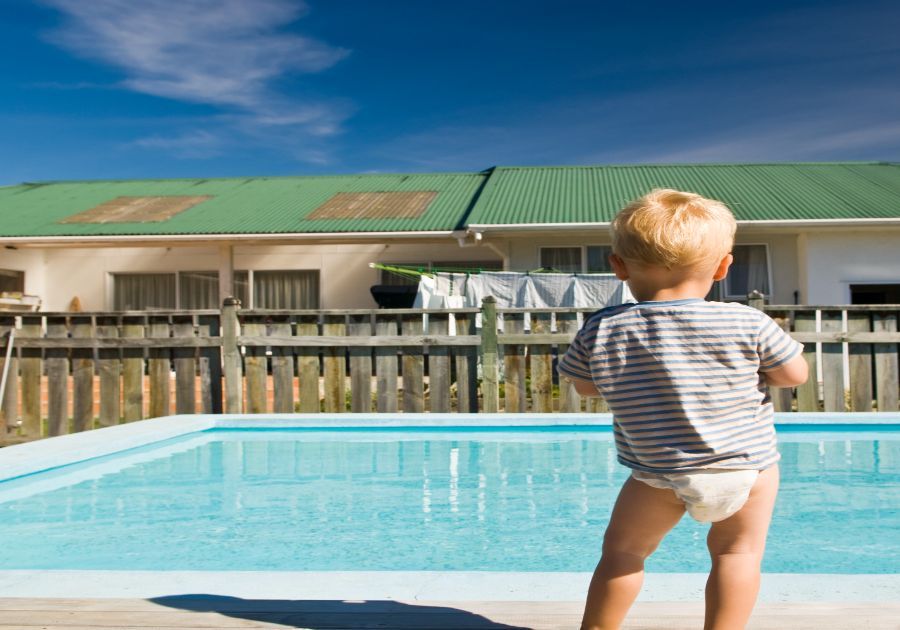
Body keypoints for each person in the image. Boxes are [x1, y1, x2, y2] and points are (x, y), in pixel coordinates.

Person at [557, 189, 808, 630]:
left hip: (658, 471)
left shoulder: (603, 327)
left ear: (617, 266)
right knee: (737, 554)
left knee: (623, 553)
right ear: (724, 266)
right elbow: (794, 376)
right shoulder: (746, 321)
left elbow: (584, 386)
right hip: (745, 468)